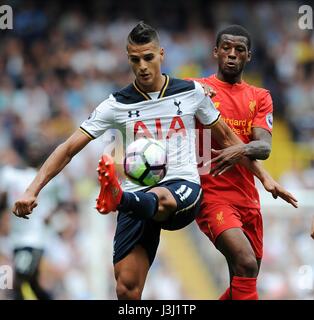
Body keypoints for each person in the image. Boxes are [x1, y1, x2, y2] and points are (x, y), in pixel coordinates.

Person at [12, 22, 295, 300]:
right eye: (135, 59)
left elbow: (230, 140)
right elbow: (68, 148)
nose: (143, 66)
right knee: (127, 290)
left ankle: (118, 197)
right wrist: (32, 190)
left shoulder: (190, 92)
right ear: (128, 59)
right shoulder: (116, 104)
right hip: (138, 192)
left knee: (164, 199)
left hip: (182, 187)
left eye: (148, 57)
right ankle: (122, 198)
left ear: (161, 54)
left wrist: (266, 178)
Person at [191, 25, 298, 300]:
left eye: (239, 49)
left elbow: (263, 148)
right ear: (215, 51)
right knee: (246, 263)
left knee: (243, 279)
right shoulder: (197, 90)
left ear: (248, 56)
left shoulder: (260, 97)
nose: (231, 54)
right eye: (225, 47)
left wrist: (238, 152)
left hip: (247, 198)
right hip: (211, 194)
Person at [0, 142, 67, 300]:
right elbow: (2, 202)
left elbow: (61, 201)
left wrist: (51, 214)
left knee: (18, 280)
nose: (34, 151)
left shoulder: (51, 181)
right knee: (31, 284)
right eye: (32, 147)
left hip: (34, 239)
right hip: (14, 239)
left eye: (38, 148)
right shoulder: (9, 174)